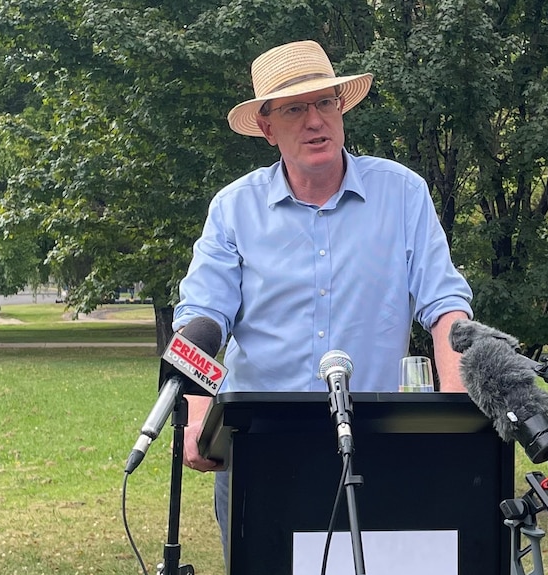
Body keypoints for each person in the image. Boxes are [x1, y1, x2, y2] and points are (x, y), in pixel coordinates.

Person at [171, 40, 473, 560]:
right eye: (294, 109)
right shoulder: (233, 209)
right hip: (260, 446)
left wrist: (454, 410)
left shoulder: (402, 194)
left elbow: (446, 305)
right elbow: (202, 318)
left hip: (378, 445)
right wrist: (196, 413)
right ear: (267, 128)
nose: (316, 121)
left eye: (325, 103)